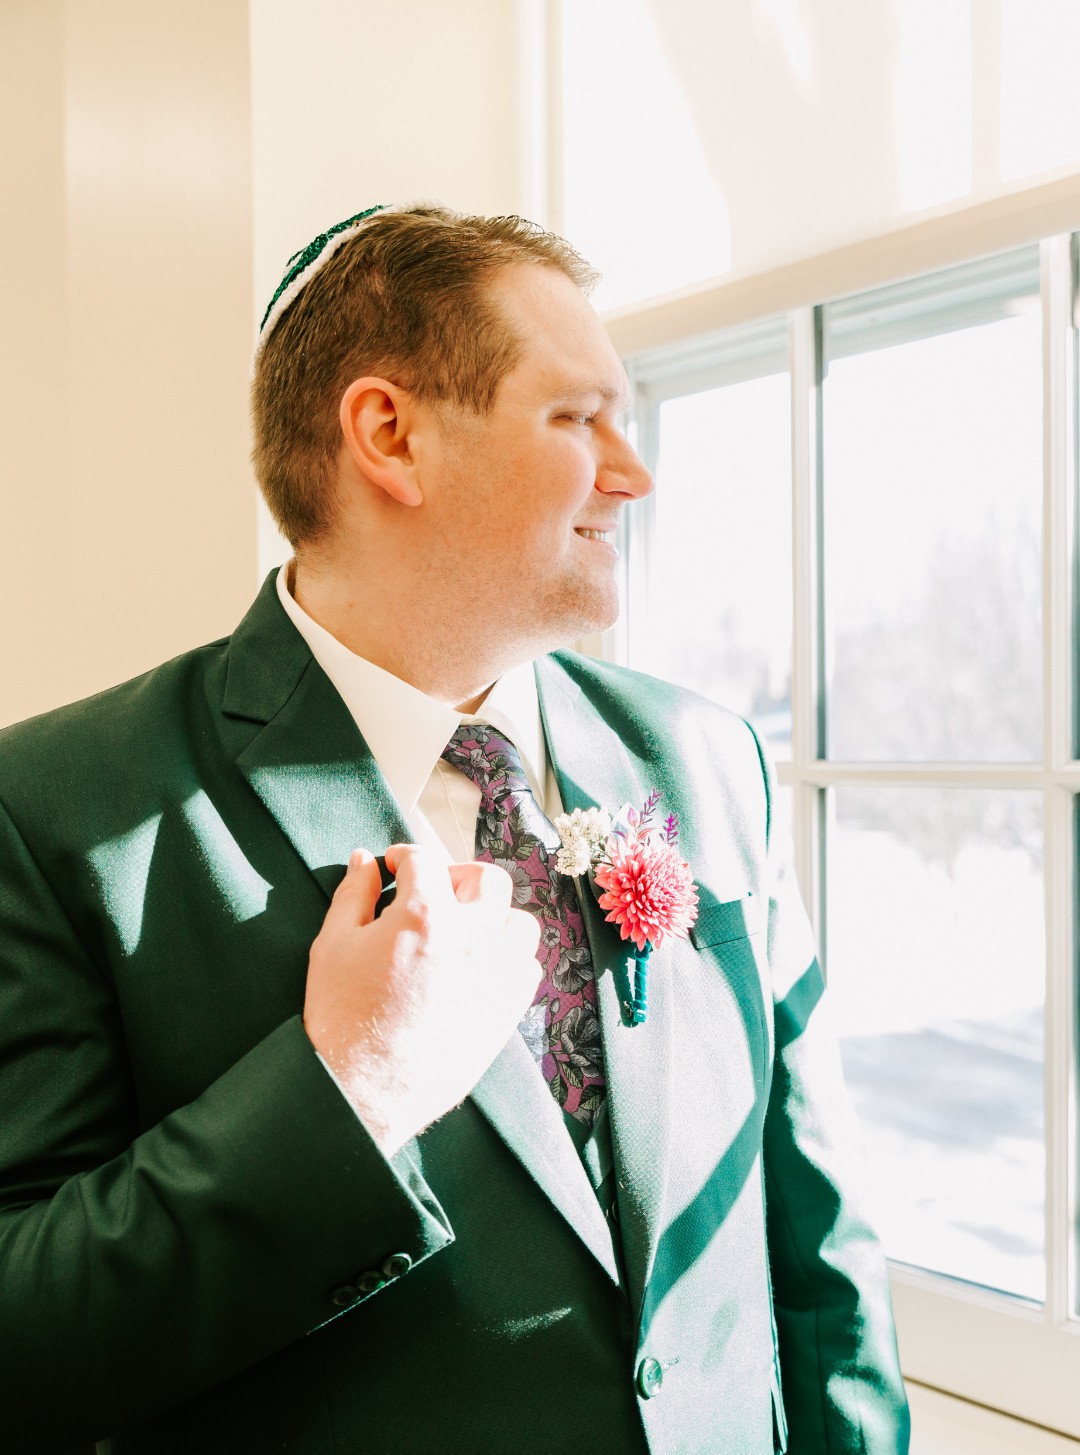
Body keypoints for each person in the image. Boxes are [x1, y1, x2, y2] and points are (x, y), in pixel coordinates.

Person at [0, 203, 909, 1454]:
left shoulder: (707, 761)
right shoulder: (61, 811)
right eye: (577, 418)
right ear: (391, 436)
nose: (633, 472)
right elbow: (25, 1345)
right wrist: (346, 1091)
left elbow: (816, 1246)